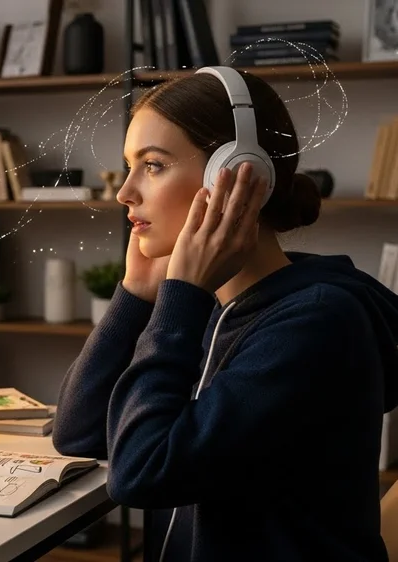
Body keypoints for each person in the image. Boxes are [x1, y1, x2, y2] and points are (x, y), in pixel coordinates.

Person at [52, 68, 398, 562]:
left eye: (152, 165)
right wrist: (135, 295)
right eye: (129, 166)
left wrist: (181, 296)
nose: (124, 192)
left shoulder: (315, 323)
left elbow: (142, 472)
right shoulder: (214, 307)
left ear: (236, 174)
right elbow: (78, 433)